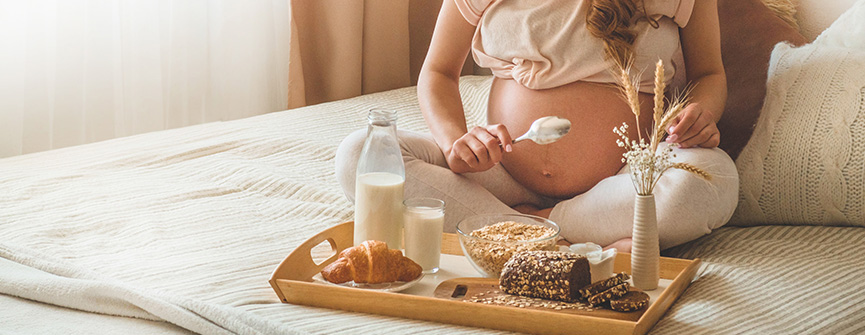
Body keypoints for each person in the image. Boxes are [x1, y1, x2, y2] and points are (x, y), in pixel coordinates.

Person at [336, 0, 738, 252]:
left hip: (623, 179)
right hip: (503, 175)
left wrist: (702, 112)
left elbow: (709, 73)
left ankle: (526, 230)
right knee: (360, 154)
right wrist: (456, 140)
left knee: (712, 178)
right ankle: (553, 239)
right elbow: (438, 72)